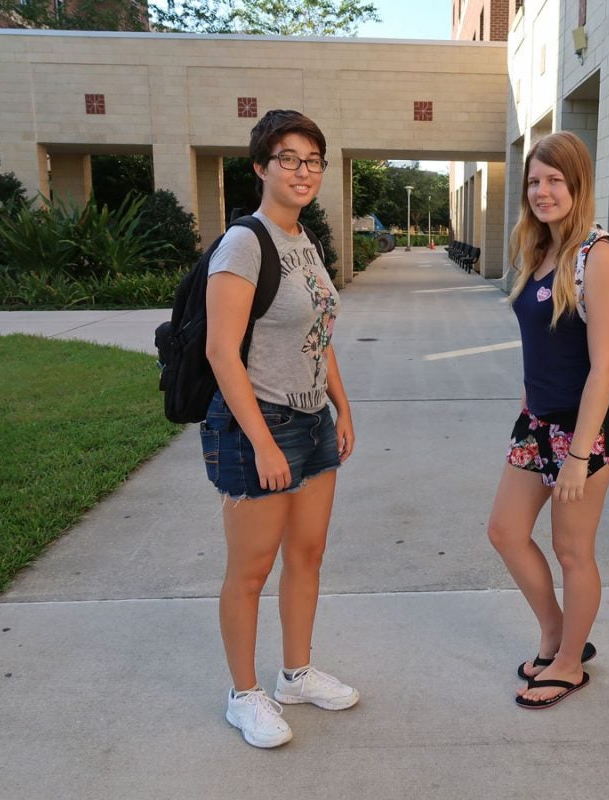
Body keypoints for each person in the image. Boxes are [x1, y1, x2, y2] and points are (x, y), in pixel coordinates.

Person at [200, 109, 357, 748]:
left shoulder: (304, 241)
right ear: (261, 166)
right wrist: (264, 442)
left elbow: (322, 335)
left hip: (313, 421)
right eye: (288, 158)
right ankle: (244, 695)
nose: (302, 170)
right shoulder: (245, 242)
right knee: (251, 569)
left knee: (308, 554)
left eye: (312, 160)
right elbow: (219, 350)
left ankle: (295, 674)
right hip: (257, 424)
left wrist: (342, 407)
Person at [487, 131, 609, 710]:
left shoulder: (597, 256)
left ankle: (571, 662)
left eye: (554, 180)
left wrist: (577, 455)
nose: (542, 191)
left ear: (577, 186)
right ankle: (554, 633)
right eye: (534, 181)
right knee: (504, 530)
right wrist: (530, 407)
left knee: (573, 549)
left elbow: (603, 367)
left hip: (587, 428)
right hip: (538, 420)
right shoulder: (537, 250)